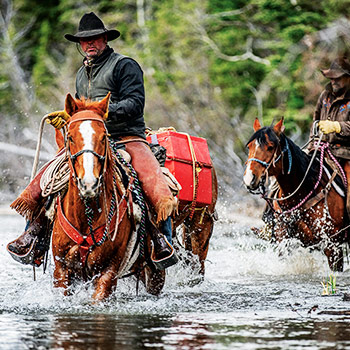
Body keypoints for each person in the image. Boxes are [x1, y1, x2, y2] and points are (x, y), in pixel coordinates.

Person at [7, 12, 177, 269]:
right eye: (84, 41)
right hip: (89, 141)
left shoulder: (125, 65)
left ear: (105, 39)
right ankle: (33, 235)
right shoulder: (80, 73)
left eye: (95, 39)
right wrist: (68, 116)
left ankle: (161, 240)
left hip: (126, 137)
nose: (89, 44)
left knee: (153, 183)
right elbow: (79, 108)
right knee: (46, 180)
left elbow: (135, 103)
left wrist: (102, 113)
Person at [308, 56, 350, 215]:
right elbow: (315, 120)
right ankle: (271, 221)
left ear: (347, 77)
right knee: (288, 172)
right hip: (321, 150)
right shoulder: (325, 95)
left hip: (346, 154)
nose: (333, 81)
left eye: (337, 78)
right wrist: (313, 144)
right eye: (330, 78)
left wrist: (337, 126)